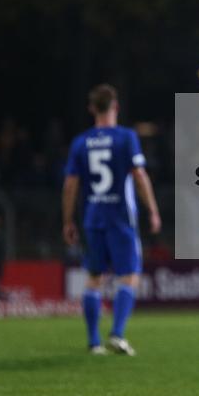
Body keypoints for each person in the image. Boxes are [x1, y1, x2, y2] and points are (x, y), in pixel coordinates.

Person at [62, 84, 161, 356]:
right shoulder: (126, 137)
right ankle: (117, 334)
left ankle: (94, 342)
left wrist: (68, 220)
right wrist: (152, 209)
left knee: (94, 278)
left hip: (93, 217)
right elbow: (139, 176)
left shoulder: (80, 142)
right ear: (115, 106)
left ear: (92, 109)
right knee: (129, 277)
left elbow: (71, 184)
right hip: (120, 217)